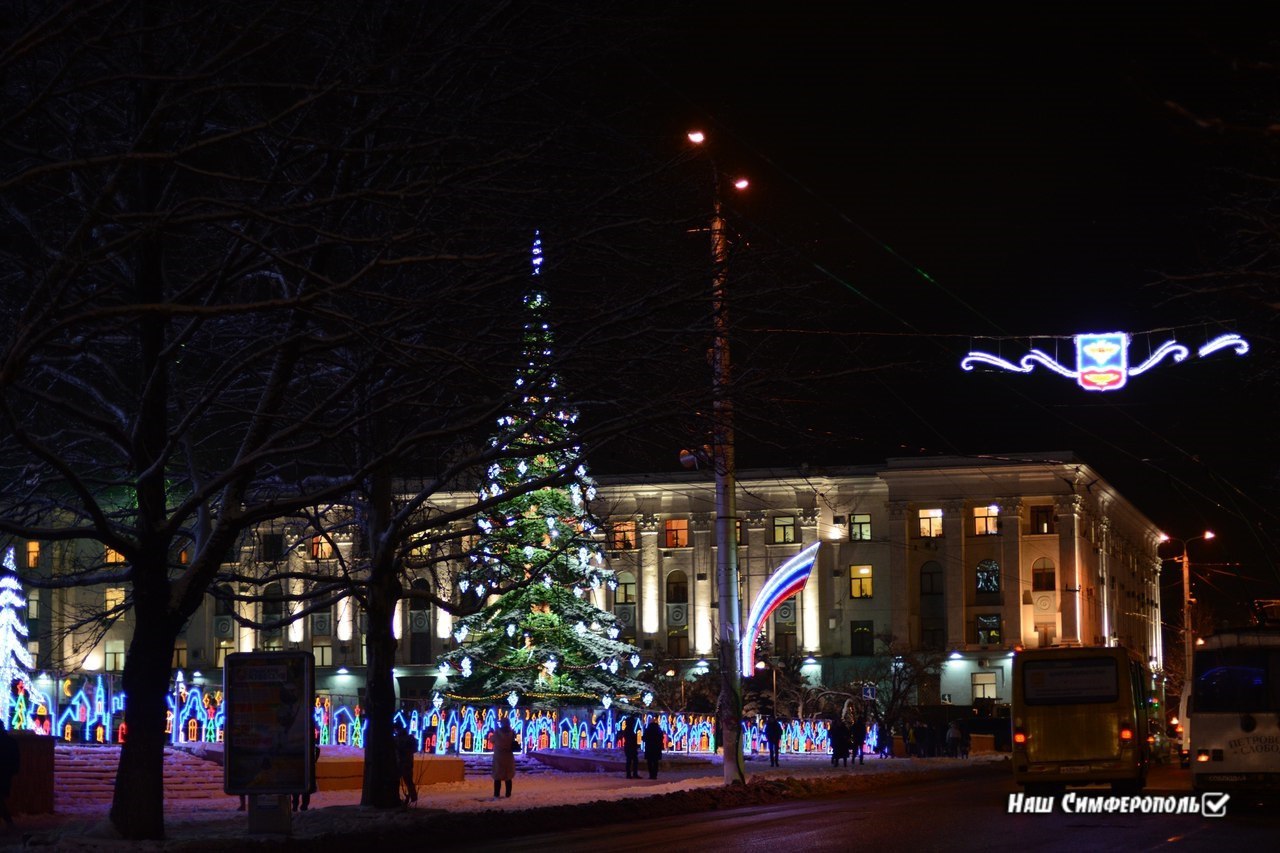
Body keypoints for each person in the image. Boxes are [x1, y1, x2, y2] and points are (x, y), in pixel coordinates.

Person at [292, 729, 320, 812]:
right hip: (305, 769)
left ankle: (296, 806)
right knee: (305, 790)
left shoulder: (296, 746)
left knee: (297, 790)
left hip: (298, 769)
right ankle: (303, 806)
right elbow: (317, 750)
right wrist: (314, 761)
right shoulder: (309, 744)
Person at [490, 718, 517, 798]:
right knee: (508, 777)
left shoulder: (497, 732)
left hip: (499, 756)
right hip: (508, 756)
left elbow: (492, 739)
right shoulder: (512, 733)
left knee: (497, 776)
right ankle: (508, 795)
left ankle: (496, 794)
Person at [393, 721, 418, 805]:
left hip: (401, 763)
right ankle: (413, 797)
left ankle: (398, 797)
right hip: (408, 762)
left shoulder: (398, 739)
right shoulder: (409, 738)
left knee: (396, 780)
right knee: (408, 781)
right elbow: (414, 750)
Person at [0, 723, 18, 829]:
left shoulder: (7, 741)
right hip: (6, 773)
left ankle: (9, 821)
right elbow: (15, 758)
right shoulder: (10, 741)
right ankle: (8, 821)